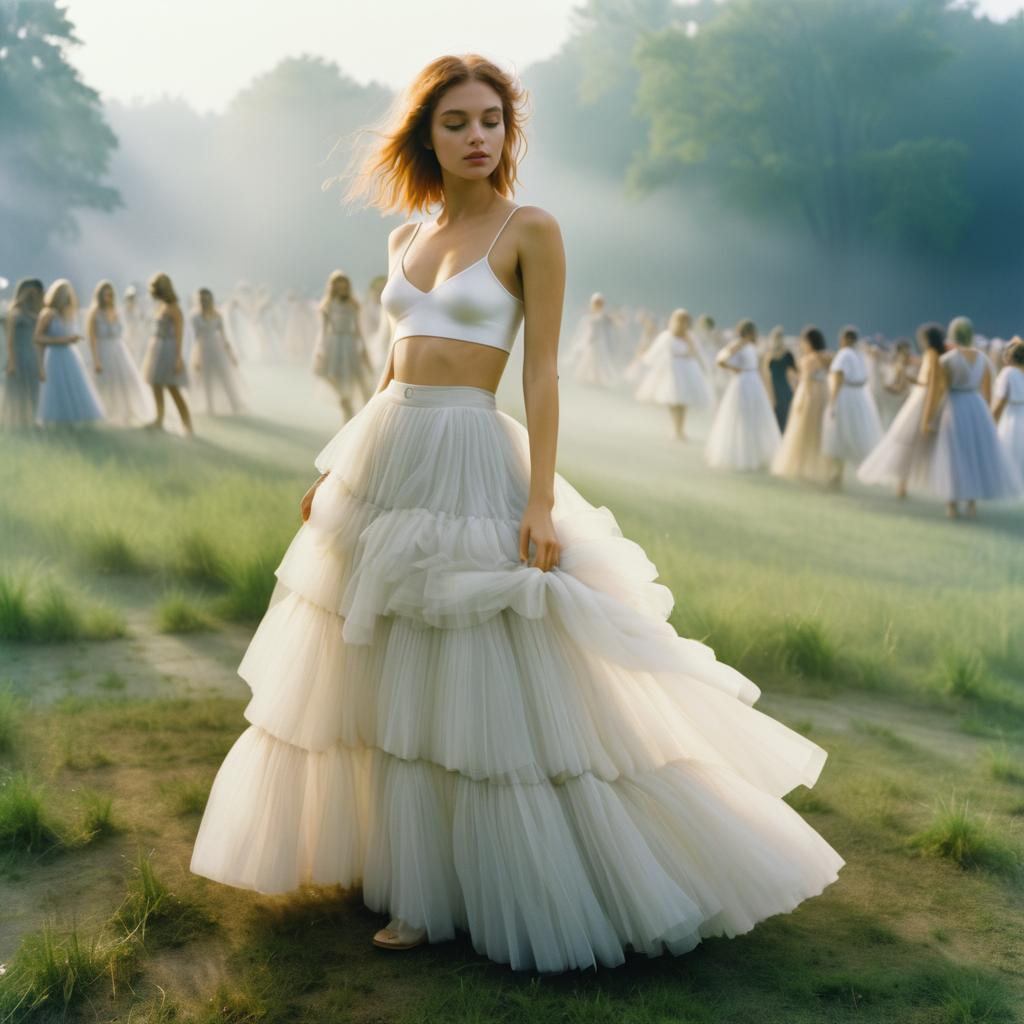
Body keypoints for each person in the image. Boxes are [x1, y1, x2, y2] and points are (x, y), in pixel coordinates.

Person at [189, 53, 843, 974]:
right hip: (387, 449)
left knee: (477, 665)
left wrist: (540, 498)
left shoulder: (530, 229)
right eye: (455, 121)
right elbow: (393, 360)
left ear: (508, 130)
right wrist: (339, 465)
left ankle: (465, 890)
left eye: (490, 119)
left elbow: (540, 372)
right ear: (429, 134)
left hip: (469, 452)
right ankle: (405, 871)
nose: (475, 135)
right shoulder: (403, 240)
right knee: (377, 666)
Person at [921, 316, 1022, 518]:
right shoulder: (983, 359)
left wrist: (928, 418)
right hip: (976, 406)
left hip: (954, 406)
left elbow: (937, 391)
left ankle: (952, 504)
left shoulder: (947, 360)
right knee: (972, 454)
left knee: (953, 454)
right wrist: (984, 417)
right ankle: (972, 503)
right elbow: (987, 392)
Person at [857, 323, 945, 499]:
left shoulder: (932, 355)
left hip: (921, 401)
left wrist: (928, 410)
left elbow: (933, 383)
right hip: (919, 397)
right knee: (908, 441)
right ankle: (902, 484)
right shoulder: (935, 356)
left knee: (906, 440)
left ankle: (902, 485)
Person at [705, 318, 781, 470]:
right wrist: (733, 369)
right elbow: (721, 360)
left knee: (755, 418)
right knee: (742, 417)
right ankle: (742, 455)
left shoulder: (753, 346)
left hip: (753, 381)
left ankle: (757, 454)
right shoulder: (738, 344)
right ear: (749, 332)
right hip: (743, 382)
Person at [33, 278, 106, 427]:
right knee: (56, 387)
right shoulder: (48, 314)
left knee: (73, 386)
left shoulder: (69, 313)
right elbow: (37, 337)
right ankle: (57, 421)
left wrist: (71, 339)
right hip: (54, 355)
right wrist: (63, 340)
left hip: (70, 355)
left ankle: (73, 421)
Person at [633, 307, 712, 440]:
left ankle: (681, 429)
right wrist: (644, 357)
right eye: (679, 320)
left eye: (684, 320)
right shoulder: (667, 336)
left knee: (683, 401)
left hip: (687, 369)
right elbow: (655, 351)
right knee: (673, 400)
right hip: (672, 371)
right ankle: (676, 429)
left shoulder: (690, 336)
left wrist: (706, 367)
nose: (682, 323)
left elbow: (699, 354)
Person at [821, 326, 883, 489]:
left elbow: (838, 377)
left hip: (845, 396)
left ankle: (837, 475)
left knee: (837, 434)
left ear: (845, 339)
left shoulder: (844, 354)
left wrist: (833, 401)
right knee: (856, 434)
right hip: (860, 397)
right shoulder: (860, 354)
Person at [86, 280, 155, 426]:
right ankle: (104, 412)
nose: (109, 297)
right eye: (106, 294)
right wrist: (95, 359)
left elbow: (121, 332)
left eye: (111, 294)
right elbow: (91, 337)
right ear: (100, 296)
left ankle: (123, 412)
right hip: (102, 350)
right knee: (104, 382)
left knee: (123, 381)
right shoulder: (94, 313)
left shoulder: (116, 311)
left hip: (118, 350)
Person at [770, 326, 834, 484]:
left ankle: (799, 466)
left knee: (802, 431)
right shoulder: (828, 357)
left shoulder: (808, 359)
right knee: (819, 433)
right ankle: (821, 469)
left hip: (809, 396)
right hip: (824, 395)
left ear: (809, 342)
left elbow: (803, 381)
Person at [312, 270, 374, 420]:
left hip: (349, 343)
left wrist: (363, 347)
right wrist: (319, 349)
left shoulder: (353, 305)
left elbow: (358, 329)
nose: (342, 289)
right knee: (332, 376)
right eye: (338, 286)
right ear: (333, 287)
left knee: (358, 378)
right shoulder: (327, 306)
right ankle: (346, 405)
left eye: (344, 286)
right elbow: (323, 330)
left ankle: (365, 411)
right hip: (333, 344)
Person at [140, 271, 194, 436]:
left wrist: (178, 357)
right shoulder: (160, 306)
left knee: (172, 388)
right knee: (156, 385)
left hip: (169, 349)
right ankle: (159, 419)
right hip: (157, 347)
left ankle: (187, 426)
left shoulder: (174, 309)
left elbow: (179, 333)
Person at [190, 288, 246, 415]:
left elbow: (224, 337)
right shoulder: (194, 316)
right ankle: (210, 406)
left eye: (206, 298)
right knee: (205, 378)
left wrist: (231, 356)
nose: (204, 301)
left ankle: (234, 403)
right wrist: (196, 357)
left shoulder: (218, 315)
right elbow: (196, 338)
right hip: (203, 348)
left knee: (225, 376)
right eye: (202, 299)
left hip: (217, 348)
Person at [1, 278, 45, 428]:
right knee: (15, 388)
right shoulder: (14, 313)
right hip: (17, 354)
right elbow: (10, 339)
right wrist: (12, 362)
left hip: (31, 355)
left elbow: (39, 342)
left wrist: (40, 366)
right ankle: (11, 420)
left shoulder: (37, 314)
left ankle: (31, 419)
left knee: (32, 387)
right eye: (27, 293)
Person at [992, 337, 1024, 478]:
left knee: (1010, 452)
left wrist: (990, 421)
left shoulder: (1008, 373)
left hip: (1011, 417)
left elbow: (999, 402)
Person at [763, 326, 797, 432]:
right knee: (776, 419)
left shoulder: (788, 355)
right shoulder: (769, 357)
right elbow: (766, 377)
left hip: (786, 390)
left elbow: (795, 373)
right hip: (774, 391)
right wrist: (770, 395)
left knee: (788, 418)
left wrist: (795, 387)